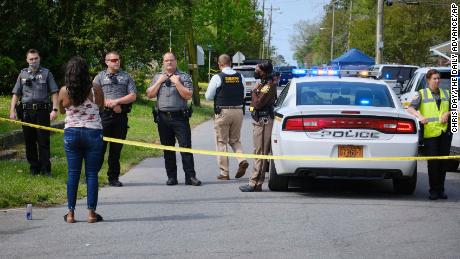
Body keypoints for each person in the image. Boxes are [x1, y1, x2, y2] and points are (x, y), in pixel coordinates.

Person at [58, 56, 105, 223]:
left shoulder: (64, 90)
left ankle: (70, 214)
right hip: (93, 132)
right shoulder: (96, 89)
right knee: (92, 174)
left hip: (71, 133)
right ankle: (91, 214)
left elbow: (62, 111)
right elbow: (101, 106)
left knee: (73, 174)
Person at [146, 52, 201, 186]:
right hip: (163, 118)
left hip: (180, 118)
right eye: (166, 60)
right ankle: (171, 177)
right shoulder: (157, 76)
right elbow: (149, 94)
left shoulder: (183, 76)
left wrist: (177, 83)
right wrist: (159, 82)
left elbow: (188, 95)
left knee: (186, 147)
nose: (169, 63)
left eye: (171, 60)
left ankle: (190, 177)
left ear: (176, 61)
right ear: (163, 62)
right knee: (168, 149)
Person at [9, 49, 59, 176]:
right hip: (26, 112)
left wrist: (54, 109)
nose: (33, 61)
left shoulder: (47, 73)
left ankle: (45, 168)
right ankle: (34, 167)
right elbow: (16, 94)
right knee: (29, 141)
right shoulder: (22, 74)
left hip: (42, 111)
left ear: (39, 58)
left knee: (43, 141)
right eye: (31, 59)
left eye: (35, 58)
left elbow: (54, 92)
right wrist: (12, 110)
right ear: (27, 60)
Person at [93, 51, 137, 187]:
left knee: (116, 150)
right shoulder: (99, 77)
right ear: (106, 62)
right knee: (99, 149)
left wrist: (117, 102)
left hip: (120, 117)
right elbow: (92, 95)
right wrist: (107, 102)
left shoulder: (126, 77)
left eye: (117, 60)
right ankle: (92, 177)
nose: (116, 62)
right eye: (113, 60)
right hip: (103, 117)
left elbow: (133, 95)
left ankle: (113, 178)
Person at [407, 69, 452, 200]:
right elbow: (410, 108)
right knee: (433, 163)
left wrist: (447, 113)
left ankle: (441, 190)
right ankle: (433, 190)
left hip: (444, 132)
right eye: (434, 79)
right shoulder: (421, 93)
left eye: (438, 78)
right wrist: (419, 116)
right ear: (428, 80)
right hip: (430, 133)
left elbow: (454, 110)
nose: (437, 81)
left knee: (443, 163)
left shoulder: (446, 93)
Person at [205, 54, 249, 180]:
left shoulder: (217, 77)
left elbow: (208, 96)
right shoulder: (240, 76)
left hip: (223, 112)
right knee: (235, 140)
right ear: (231, 63)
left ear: (220, 64)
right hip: (238, 111)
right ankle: (242, 160)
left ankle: (224, 173)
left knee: (221, 142)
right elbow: (244, 94)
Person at [239, 61, 277, 192]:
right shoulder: (263, 83)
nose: (255, 71)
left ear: (264, 72)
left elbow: (259, 103)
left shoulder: (268, 85)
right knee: (258, 152)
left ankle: (254, 183)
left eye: (257, 69)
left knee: (260, 153)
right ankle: (256, 182)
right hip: (259, 120)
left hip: (264, 121)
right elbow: (253, 105)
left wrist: (254, 90)